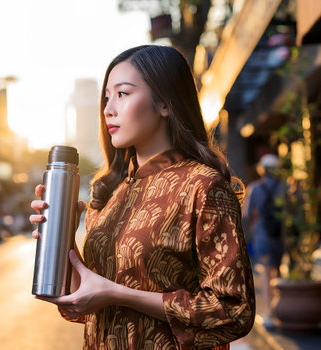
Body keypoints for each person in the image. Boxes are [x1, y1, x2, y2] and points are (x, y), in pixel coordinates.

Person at [30, 45, 255, 349]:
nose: (109, 108)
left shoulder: (202, 185)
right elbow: (82, 305)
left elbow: (234, 311)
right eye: (106, 97)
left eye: (122, 94)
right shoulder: (110, 193)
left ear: (164, 102)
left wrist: (118, 294)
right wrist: (63, 237)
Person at [247, 154, 283, 328]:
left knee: (266, 272)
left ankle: (269, 313)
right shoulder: (284, 187)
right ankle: (280, 309)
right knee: (280, 270)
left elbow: (247, 212)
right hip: (281, 236)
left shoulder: (255, 188)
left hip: (263, 235)